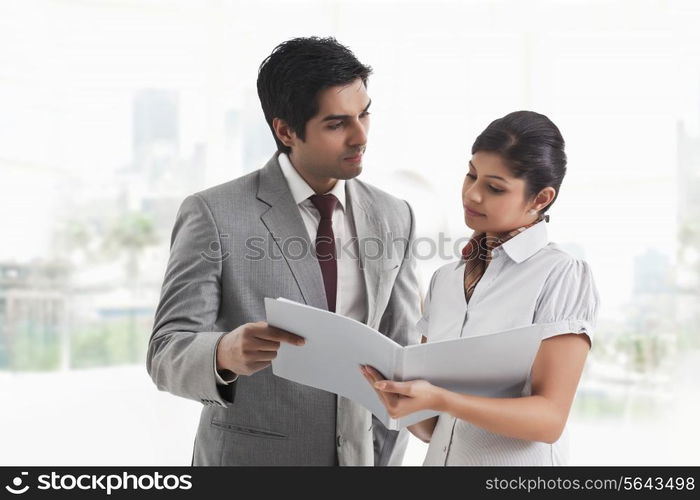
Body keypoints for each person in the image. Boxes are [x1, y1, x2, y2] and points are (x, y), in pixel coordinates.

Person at [146, 37, 421, 466]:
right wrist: (223, 353)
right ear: (286, 131)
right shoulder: (214, 213)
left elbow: (399, 360)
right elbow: (165, 352)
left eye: (364, 113)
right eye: (336, 124)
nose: (360, 136)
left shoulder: (394, 215)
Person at [361, 110, 600, 465]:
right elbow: (431, 430)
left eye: (494, 187)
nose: (472, 195)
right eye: (471, 175)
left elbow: (549, 420)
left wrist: (442, 399)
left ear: (541, 198)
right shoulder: (445, 279)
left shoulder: (561, 275)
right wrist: (396, 394)